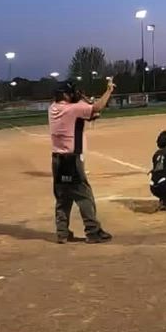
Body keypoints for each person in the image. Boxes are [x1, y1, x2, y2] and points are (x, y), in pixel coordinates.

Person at [49, 79, 115, 244]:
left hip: (57, 160)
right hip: (72, 160)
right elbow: (97, 108)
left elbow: (88, 116)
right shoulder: (73, 109)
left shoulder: (53, 108)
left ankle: (62, 233)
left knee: (63, 197)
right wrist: (108, 90)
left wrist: (82, 103)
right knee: (84, 196)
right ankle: (92, 231)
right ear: (66, 95)